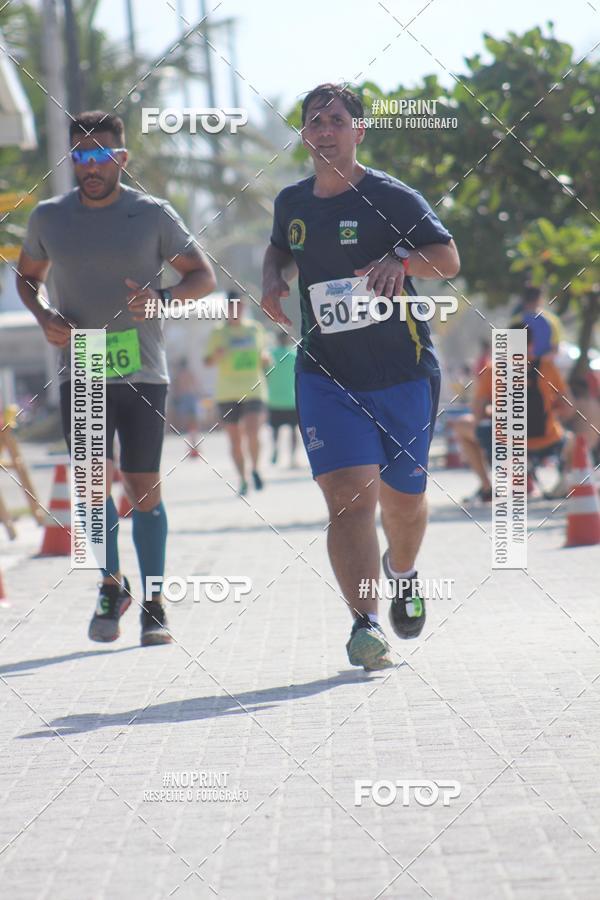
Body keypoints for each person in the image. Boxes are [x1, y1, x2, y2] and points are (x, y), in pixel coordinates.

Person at [261, 83, 459, 671]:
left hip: (401, 375)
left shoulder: (391, 198)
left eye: (337, 120)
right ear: (303, 133)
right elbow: (279, 250)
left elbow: (447, 259)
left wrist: (398, 262)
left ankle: (404, 573)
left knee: (404, 503)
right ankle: (365, 625)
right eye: (314, 121)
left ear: (359, 131)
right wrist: (272, 279)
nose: (325, 131)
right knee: (349, 503)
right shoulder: (292, 203)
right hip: (327, 377)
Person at [16, 110, 216, 645]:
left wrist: (162, 300)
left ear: (121, 159)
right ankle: (111, 584)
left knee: (142, 485)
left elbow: (202, 277)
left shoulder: (151, 214)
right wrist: (44, 318)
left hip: (143, 371)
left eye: (100, 155)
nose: (90, 166)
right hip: (80, 365)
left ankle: (153, 599)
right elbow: (27, 279)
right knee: (88, 485)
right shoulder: (49, 218)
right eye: (80, 156)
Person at [204, 293, 270, 495]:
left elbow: (263, 354)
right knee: (235, 440)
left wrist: (266, 358)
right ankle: (242, 478)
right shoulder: (218, 332)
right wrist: (217, 355)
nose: (237, 311)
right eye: (233, 307)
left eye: (241, 306)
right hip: (227, 392)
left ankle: (256, 469)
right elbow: (207, 362)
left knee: (252, 431)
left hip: (253, 388)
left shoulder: (255, 329)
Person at [267, 331, 300, 466]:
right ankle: (292, 458)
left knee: (275, 429)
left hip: (273, 399)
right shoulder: (294, 354)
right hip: (291, 399)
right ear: (288, 340)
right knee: (293, 430)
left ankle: (275, 449)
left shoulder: (270, 355)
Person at [509, 285, 562, 357]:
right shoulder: (552, 321)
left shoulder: (516, 320)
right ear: (540, 300)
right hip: (543, 365)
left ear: (523, 300)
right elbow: (555, 350)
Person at [172, 358, 202, 453]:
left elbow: (175, 388)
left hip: (185, 398)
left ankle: (193, 445)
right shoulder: (188, 373)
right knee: (192, 422)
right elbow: (196, 385)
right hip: (190, 397)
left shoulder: (179, 375)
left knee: (189, 423)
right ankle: (194, 444)